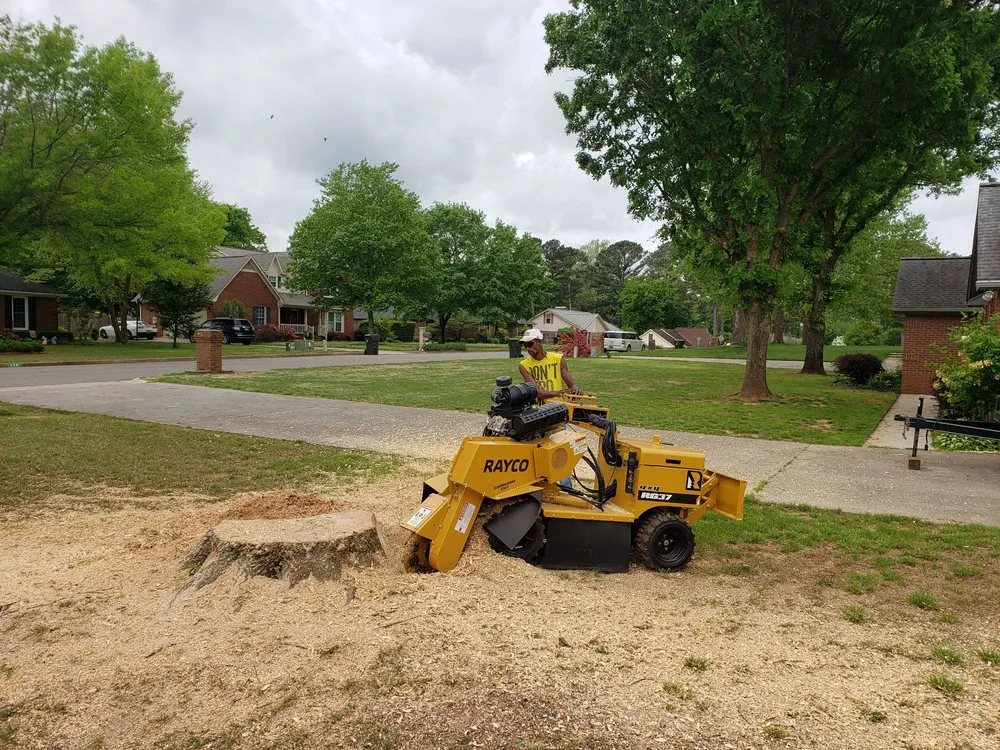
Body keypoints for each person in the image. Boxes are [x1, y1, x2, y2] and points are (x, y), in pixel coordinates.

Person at [518, 328, 582, 401]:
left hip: (559, 405)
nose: (528, 348)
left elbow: (571, 385)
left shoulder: (558, 359)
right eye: (525, 345)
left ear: (540, 343)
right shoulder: (524, 365)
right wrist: (557, 393)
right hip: (540, 407)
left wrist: (575, 389)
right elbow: (535, 392)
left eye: (530, 344)